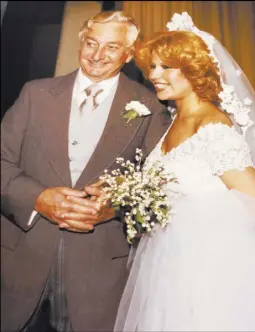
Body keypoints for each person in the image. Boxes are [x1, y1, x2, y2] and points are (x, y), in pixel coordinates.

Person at [113, 13, 255, 332]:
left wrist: (183, 217)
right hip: (170, 273)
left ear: (194, 70)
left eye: (166, 67)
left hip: (211, 278)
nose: (155, 75)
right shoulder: (172, 124)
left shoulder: (214, 128)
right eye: (152, 67)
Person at [1, 10, 172, 332]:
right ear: (81, 42)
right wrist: (38, 198)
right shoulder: (34, 93)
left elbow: (158, 185)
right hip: (21, 259)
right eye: (92, 43)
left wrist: (113, 206)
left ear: (129, 53)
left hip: (99, 272)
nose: (97, 55)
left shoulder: (150, 106)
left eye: (110, 47)